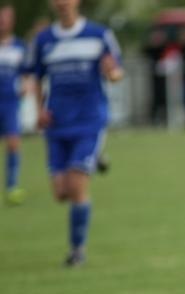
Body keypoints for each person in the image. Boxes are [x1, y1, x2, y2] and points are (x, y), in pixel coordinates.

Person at [27, 0, 123, 267]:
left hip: (89, 121)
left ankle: (76, 250)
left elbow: (116, 71)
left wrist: (112, 73)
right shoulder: (44, 39)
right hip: (57, 124)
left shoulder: (99, 35)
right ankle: (94, 160)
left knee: (76, 185)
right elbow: (36, 76)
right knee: (60, 193)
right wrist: (39, 110)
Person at [0, 3, 26, 205]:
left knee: (13, 143)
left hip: (10, 103)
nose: (3, 21)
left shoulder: (20, 46)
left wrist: (26, 84)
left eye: (7, 17)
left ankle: (11, 185)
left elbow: (26, 73)